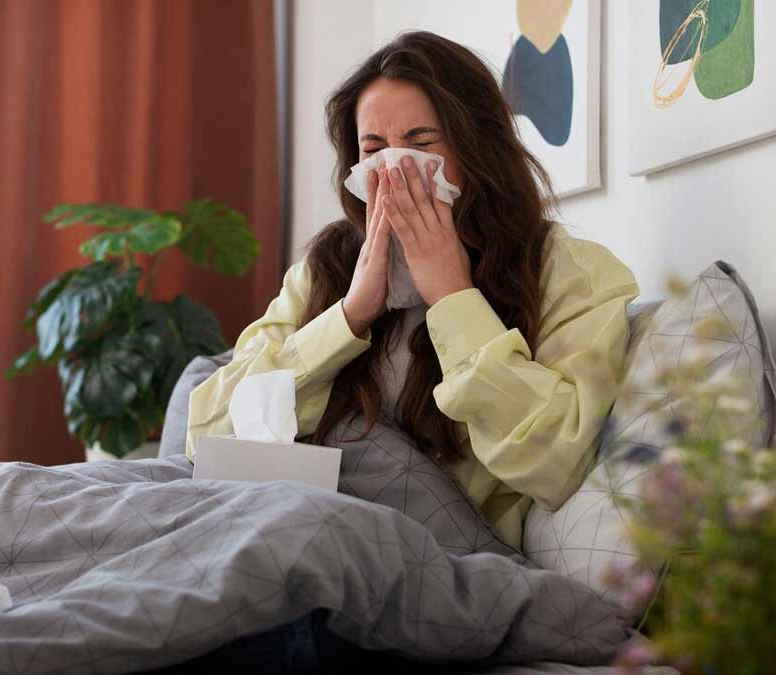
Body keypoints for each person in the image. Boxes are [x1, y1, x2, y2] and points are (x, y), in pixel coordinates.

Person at [186, 30, 639, 551]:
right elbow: (205, 436)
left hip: (428, 554)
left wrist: (454, 298)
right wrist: (350, 315)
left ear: (477, 148)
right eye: (374, 150)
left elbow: (556, 463)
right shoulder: (325, 268)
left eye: (422, 145)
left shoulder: (568, 272)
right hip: (286, 526)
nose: (396, 170)